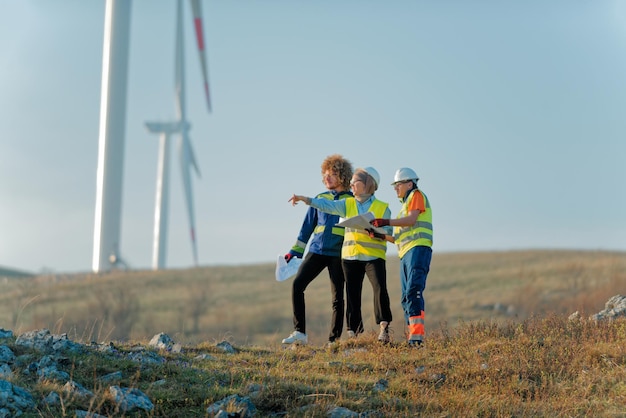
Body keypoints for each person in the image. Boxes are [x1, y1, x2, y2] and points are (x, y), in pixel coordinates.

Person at [289, 167, 394, 343]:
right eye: (351, 181)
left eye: (356, 181)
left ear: (368, 184)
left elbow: (391, 235)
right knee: (352, 295)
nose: (351, 184)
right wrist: (305, 199)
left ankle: (383, 328)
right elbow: (326, 206)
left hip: (373, 256)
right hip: (350, 256)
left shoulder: (382, 207)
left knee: (379, 290)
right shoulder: (348, 204)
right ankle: (354, 333)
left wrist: (377, 233)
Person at [281, 154, 354, 346]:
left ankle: (334, 340)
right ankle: (300, 332)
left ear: (343, 176)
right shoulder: (319, 199)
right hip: (317, 251)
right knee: (297, 285)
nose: (326, 178)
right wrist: (294, 252)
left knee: (338, 298)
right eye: (325, 175)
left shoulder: (352, 200)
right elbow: (306, 229)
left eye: (332, 174)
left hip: (339, 255)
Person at [369, 167, 433, 347]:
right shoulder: (403, 209)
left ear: (409, 183)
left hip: (418, 249)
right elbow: (397, 237)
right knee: (406, 296)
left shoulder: (416, 196)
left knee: (413, 291)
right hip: (406, 254)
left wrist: (386, 222)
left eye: (398, 184)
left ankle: (417, 337)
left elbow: (412, 220)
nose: (396, 188)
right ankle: (412, 336)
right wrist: (379, 234)